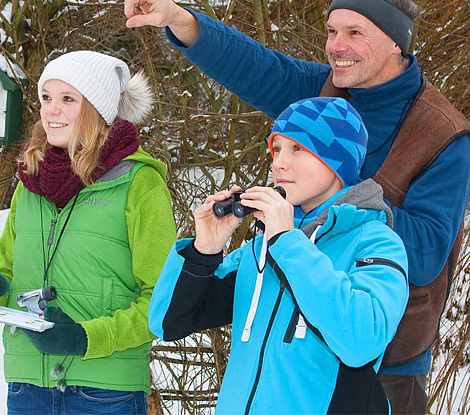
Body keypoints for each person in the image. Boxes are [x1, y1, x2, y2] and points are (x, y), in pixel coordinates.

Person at [123, 0, 470, 413]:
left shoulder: (444, 135)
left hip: (383, 363)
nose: (336, 45)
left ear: (397, 43)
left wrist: (336, 199)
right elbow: (253, 65)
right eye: (332, 31)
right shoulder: (323, 90)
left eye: (355, 33)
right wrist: (179, 18)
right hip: (282, 354)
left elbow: (427, 253)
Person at [149, 96, 408, 413]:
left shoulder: (376, 242)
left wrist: (287, 240)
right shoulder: (260, 250)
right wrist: (204, 249)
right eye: (277, 149)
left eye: (297, 148)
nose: (278, 163)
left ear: (338, 160)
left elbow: (361, 341)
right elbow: (167, 323)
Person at [0, 50, 176, 415]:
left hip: (105, 393)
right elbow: (10, 271)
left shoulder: (139, 184)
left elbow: (163, 301)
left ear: (98, 108)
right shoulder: (29, 182)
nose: (51, 110)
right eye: (47, 98)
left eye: (67, 99)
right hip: (27, 387)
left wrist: (87, 337)